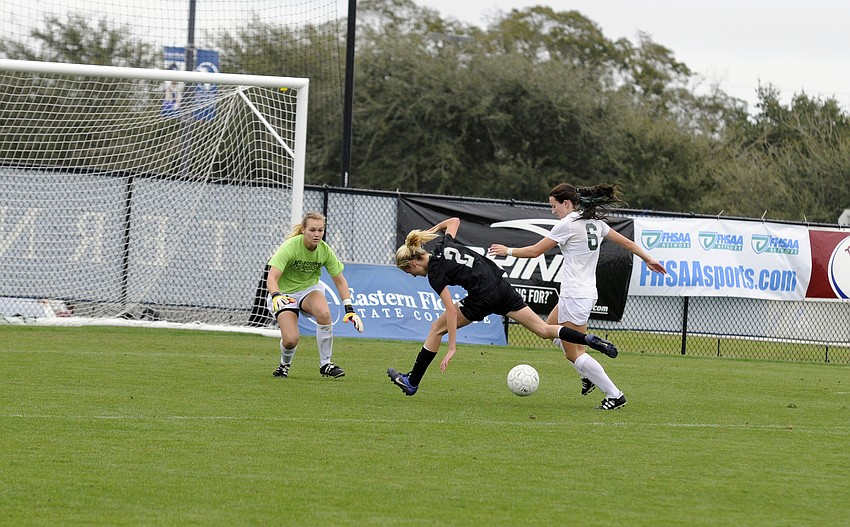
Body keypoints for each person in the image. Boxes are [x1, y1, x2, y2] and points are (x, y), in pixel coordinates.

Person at [387, 216, 619, 400]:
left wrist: (452, 348)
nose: (414, 275)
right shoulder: (445, 242)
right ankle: (587, 339)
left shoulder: (435, 275)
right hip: (501, 286)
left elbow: (449, 311)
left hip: (481, 297)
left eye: (410, 271)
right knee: (543, 329)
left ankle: (412, 381)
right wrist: (426, 235)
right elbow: (454, 221)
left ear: (413, 262)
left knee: (436, 329)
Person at [488, 183, 667, 410]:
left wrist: (508, 251)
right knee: (548, 329)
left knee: (574, 354)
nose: (553, 211)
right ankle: (587, 374)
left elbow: (535, 251)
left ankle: (615, 394)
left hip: (576, 296)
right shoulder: (595, 223)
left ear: (567, 203)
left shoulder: (567, 225)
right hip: (580, 294)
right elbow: (628, 243)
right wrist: (648, 258)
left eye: (554, 206)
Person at [266, 211, 364, 379]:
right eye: (312, 230)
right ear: (303, 230)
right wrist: (276, 295)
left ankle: (325, 364)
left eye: (320, 230)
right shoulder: (290, 246)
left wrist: (349, 308)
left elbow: (340, 281)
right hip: (285, 294)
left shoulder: (325, 251)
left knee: (324, 313)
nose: (317, 234)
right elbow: (271, 277)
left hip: (309, 290)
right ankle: (284, 366)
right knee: (291, 339)